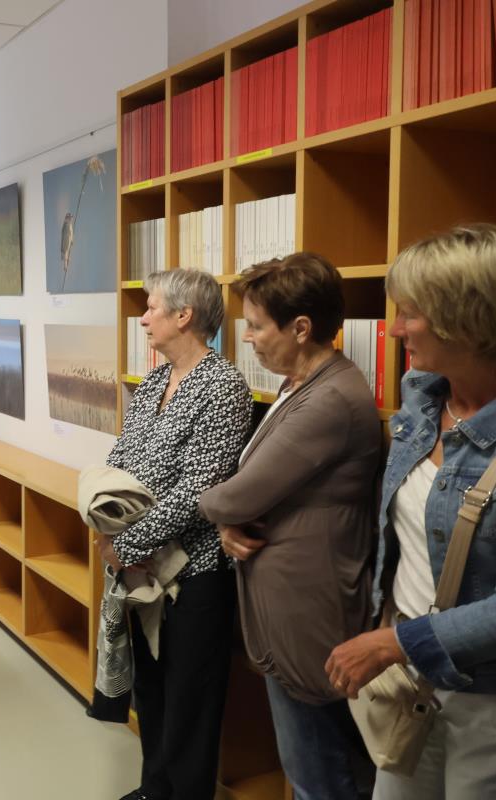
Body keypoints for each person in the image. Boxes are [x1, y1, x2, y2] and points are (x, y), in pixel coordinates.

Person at [325, 224, 496, 799]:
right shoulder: (423, 398)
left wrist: (392, 643)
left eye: (409, 313)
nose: (396, 328)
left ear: (466, 319)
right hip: (409, 676)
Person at [199, 253, 381, 799]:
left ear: (301, 328)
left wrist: (208, 505)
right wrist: (227, 523)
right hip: (287, 607)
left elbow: (241, 492)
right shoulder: (300, 384)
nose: (247, 338)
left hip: (309, 615)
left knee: (319, 775)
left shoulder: (330, 399)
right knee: (307, 765)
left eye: (256, 326)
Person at [101, 267, 252, 800]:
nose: (143, 318)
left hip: (194, 574)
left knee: (190, 703)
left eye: (152, 307)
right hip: (141, 572)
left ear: (184, 316)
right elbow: (120, 461)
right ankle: (154, 789)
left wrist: (127, 545)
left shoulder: (223, 386)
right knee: (152, 690)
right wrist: (107, 526)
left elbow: (199, 489)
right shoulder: (153, 382)